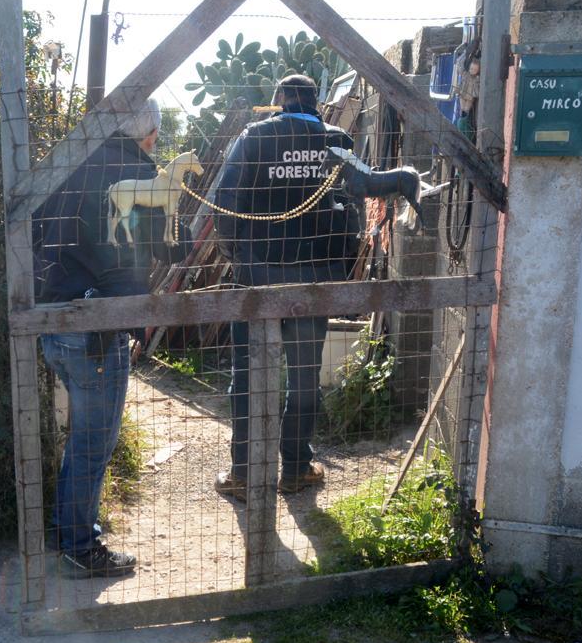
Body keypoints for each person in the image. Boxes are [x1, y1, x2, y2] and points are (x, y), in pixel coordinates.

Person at [32, 99, 178, 578]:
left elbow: (34, 229)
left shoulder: (68, 162)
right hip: (96, 327)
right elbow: (159, 246)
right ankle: (79, 545)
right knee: (93, 443)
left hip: (51, 318)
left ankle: (66, 532)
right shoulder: (137, 171)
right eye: (156, 132)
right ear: (149, 133)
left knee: (82, 439)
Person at [212, 74, 357, 501]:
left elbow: (225, 202)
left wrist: (238, 256)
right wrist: (337, 264)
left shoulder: (253, 138)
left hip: (256, 279)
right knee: (305, 376)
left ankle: (243, 473)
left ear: (279, 102)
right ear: (316, 104)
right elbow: (353, 209)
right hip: (313, 280)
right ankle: (295, 469)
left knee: (248, 375)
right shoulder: (337, 141)